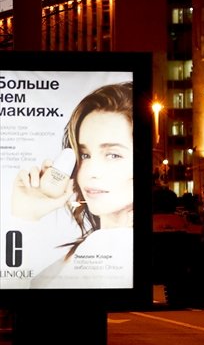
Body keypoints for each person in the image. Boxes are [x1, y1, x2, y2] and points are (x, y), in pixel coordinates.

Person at [9, 82, 135, 286]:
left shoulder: (111, 244)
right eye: (84, 154)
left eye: (113, 155)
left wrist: (24, 218)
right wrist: (27, 214)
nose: (90, 172)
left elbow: (15, 300)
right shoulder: (94, 244)